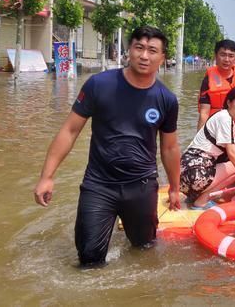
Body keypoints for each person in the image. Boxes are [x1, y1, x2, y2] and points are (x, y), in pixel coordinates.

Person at [33, 26, 181, 268]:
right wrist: (46, 176)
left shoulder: (166, 99)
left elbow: (170, 148)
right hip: (98, 185)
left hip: (142, 186)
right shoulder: (99, 85)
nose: (144, 56)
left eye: (152, 50)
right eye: (139, 48)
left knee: (144, 250)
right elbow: (70, 130)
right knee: (89, 258)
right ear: (129, 50)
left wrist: (175, 187)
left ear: (162, 58)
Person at [181, 87, 235, 208]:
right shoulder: (225, 118)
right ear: (229, 102)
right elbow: (231, 152)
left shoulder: (222, 116)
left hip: (185, 176)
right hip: (194, 175)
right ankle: (201, 201)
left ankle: (196, 195)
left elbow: (231, 151)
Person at [197, 39, 235, 156]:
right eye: (223, 55)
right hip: (217, 128)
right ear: (216, 56)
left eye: (231, 56)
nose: (227, 59)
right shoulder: (208, 79)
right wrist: (200, 139)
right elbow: (204, 112)